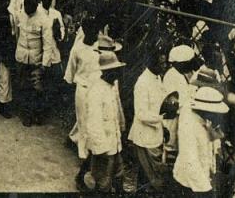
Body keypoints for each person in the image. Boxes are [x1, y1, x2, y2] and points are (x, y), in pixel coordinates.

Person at [63, 16, 103, 187]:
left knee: (91, 119)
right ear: (85, 31)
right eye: (92, 32)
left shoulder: (100, 48)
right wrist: (69, 83)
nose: (95, 35)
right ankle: (83, 154)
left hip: (97, 89)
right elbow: (71, 68)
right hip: (82, 88)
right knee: (83, 119)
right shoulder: (78, 48)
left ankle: (73, 137)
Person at [173, 86, 229, 195]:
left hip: (201, 174)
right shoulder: (189, 125)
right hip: (189, 181)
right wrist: (205, 188)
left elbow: (216, 137)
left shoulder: (204, 120)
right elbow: (190, 160)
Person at [85, 51, 126, 193]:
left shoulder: (111, 87)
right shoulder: (96, 91)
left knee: (119, 173)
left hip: (114, 143)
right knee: (103, 182)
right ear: (106, 72)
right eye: (115, 71)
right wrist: (102, 150)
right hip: (104, 148)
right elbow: (93, 124)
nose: (118, 74)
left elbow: (116, 113)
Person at [129, 49, 168, 192]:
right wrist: (161, 119)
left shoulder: (157, 77)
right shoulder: (142, 83)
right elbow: (141, 114)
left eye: (165, 63)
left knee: (147, 176)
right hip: (144, 136)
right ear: (152, 64)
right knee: (151, 176)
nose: (164, 66)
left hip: (154, 134)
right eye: (161, 63)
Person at [14, 0, 48, 126]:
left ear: (36, 5)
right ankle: (26, 115)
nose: (27, 7)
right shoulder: (20, 16)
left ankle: (37, 114)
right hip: (22, 57)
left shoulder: (43, 19)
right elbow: (17, 34)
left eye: (30, 4)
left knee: (37, 88)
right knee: (23, 86)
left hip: (36, 59)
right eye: (26, 3)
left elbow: (48, 43)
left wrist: (44, 64)